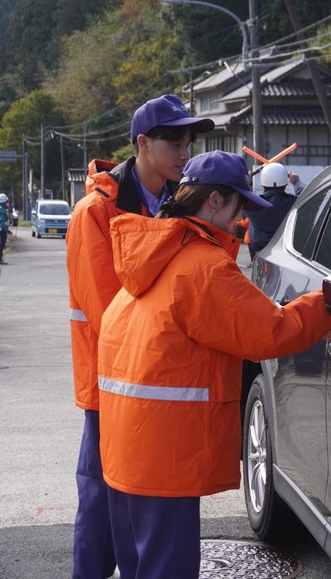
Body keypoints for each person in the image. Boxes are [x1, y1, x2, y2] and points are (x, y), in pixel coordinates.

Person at [97, 151, 331, 578]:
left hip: (125, 455)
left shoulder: (149, 255)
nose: (241, 219)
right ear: (213, 202)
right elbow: (272, 333)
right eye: (238, 206)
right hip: (164, 463)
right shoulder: (204, 270)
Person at [66, 93, 213, 579]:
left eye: (188, 139)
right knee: (102, 497)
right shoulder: (95, 212)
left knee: (148, 505)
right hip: (109, 385)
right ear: (143, 143)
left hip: (159, 383)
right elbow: (110, 311)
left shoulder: (179, 205)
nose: (184, 148)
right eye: (174, 139)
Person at [247, 162, 299, 260]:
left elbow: (242, 197)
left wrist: (247, 183)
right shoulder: (293, 203)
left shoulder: (254, 205)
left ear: (263, 184)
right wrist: (296, 182)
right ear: (285, 184)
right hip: (287, 256)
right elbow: (306, 196)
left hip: (260, 257)